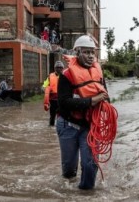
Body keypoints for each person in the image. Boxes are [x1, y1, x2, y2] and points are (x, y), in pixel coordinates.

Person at [56, 35, 110, 190]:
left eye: (92, 52)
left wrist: (105, 103)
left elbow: (105, 96)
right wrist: (92, 100)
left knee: (90, 164)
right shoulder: (66, 75)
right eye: (86, 52)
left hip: (90, 126)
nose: (90, 56)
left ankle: (86, 194)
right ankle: (68, 190)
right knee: (69, 170)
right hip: (68, 125)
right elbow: (64, 103)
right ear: (77, 52)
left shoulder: (98, 73)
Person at [43, 60, 65, 126]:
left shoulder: (65, 76)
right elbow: (44, 86)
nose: (59, 69)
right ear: (55, 68)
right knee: (52, 116)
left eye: (60, 68)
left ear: (62, 68)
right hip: (53, 100)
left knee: (62, 116)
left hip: (62, 100)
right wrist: (46, 91)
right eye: (57, 67)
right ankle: (51, 126)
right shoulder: (50, 76)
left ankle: (61, 127)